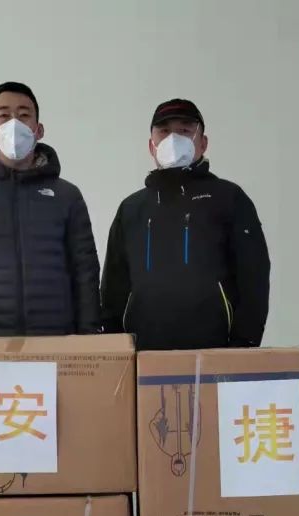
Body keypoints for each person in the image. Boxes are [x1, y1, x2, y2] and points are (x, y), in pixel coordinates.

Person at [100, 99, 270, 350]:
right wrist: (116, 347)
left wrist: (244, 343)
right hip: (144, 352)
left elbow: (254, 275)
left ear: (203, 143)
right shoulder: (131, 208)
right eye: (164, 131)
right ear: (151, 145)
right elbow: (113, 286)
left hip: (215, 350)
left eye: (185, 130)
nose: (173, 139)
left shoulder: (229, 198)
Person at [0, 82, 100, 336]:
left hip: (56, 340)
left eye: (24, 115)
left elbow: (85, 271)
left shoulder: (67, 196)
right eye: (4, 116)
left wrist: (88, 338)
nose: (14, 124)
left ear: (38, 130)